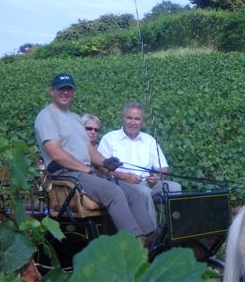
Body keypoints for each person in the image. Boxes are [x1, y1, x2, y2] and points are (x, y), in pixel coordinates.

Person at [34, 73, 158, 247]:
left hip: (84, 173)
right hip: (66, 174)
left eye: (68, 89)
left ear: (73, 92)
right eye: (61, 89)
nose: (65, 93)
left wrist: (106, 163)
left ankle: (152, 238)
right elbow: (56, 154)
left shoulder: (76, 118)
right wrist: (86, 169)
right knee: (114, 193)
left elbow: (90, 151)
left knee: (134, 194)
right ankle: (134, 244)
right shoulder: (47, 116)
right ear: (52, 91)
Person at [98, 101, 182, 222]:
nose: (133, 122)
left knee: (175, 187)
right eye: (129, 118)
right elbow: (101, 167)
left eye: (137, 119)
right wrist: (124, 176)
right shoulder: (110, 139)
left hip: (148, 183)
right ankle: (150, 235)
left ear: (142, 122)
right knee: (143, 192)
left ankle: (175, 230)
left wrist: (156, 177)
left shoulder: (149, 140)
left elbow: (164, 168)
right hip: (120, 184)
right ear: (123, 119)